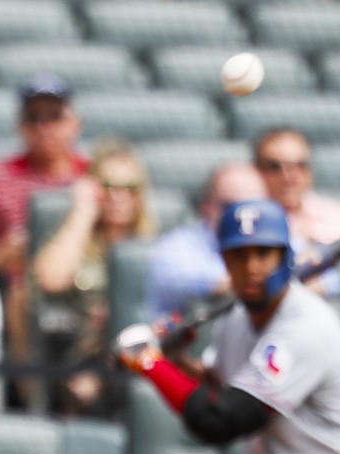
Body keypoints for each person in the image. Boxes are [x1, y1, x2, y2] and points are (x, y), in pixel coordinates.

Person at [117, 199, 340, 454]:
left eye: (263, 253)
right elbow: (220, 389)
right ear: (223, 259)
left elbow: (220, 420)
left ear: (284, 256)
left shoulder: (305, 328)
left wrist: (151, 364)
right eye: (239, 254)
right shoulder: (238, 319)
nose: (251, 267)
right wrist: (177, 361)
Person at [0, 73, 89, 408]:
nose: (45, 127)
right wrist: (1, 254)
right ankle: (34, 401)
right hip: (19, 291)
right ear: (21, 126)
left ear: (75, 123)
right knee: (22, 295)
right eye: (34, 118)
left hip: (86, 286)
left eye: (55, 117)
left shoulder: (91, 175)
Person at [31, 137, 156, 417]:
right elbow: (50, 279)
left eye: (130, 188)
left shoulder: (151, 246)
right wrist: (83, 211)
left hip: (139, 352)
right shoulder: (78, 240)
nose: (119, 196)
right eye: (108, 187)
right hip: (79, 354)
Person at [146, 162, 268, 318]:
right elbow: (180, 279)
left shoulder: (277, 242)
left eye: (253, 207)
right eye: (230, 207)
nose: (242, 218)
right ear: (207, 206)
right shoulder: (176, 246)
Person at [255, 127, 340, 298]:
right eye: (275, 167)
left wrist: (324, 285)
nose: (288, 176)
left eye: (299, 166)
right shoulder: (250, 219)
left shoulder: (334, 213)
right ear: (258, 171)